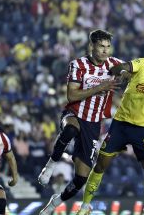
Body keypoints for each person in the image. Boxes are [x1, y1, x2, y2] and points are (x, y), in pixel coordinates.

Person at [38, 30, 124, 214]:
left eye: (108, 47)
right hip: (74, 113)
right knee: (70, 130)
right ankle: (50, 166)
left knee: (81, 179)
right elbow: (71, 95)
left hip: (93, 124)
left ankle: (55, 202)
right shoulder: (78, 65)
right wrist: (101, 87)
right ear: (91, 46)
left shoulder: (114, 64)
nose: (105, 51)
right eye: (101, 46)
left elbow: (131, 71)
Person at [76, 57, 144, 215]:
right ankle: (85, 206)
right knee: (101, 164)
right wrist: (123, 71)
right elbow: (117, 67)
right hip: (121, 124)